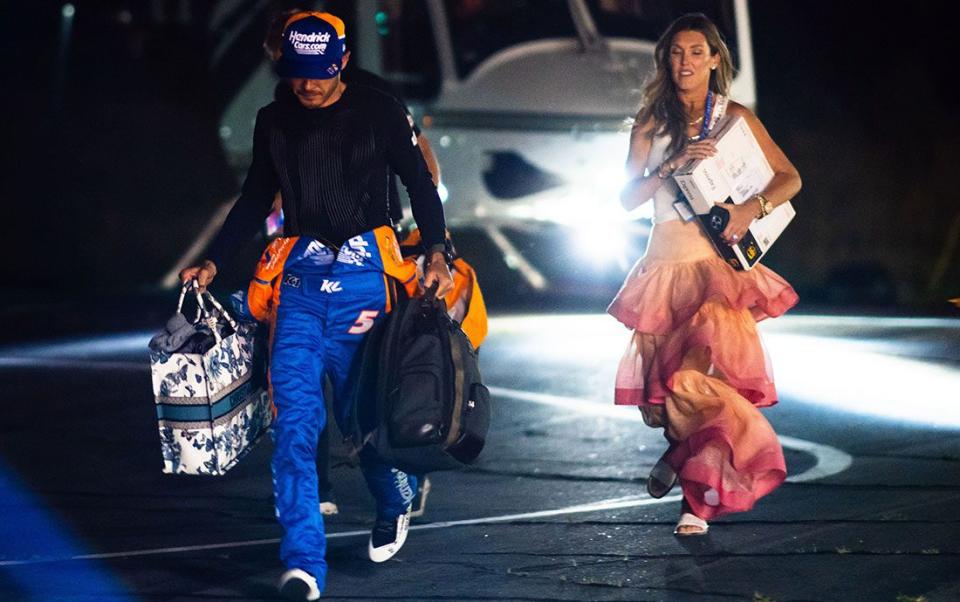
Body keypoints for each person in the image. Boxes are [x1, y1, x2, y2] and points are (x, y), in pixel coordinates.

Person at [180, 11, 453, 600]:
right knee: (295, 426)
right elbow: (255, 197)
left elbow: (420, 185)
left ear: (342, 64)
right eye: (298, 75)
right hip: (300, 285)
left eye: (320, 76)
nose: (308, 87)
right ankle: (304, 561)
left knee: (364, 420)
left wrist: (437, 248)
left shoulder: (378, 109)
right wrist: (215, 261)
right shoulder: (273, 119)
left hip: (366, 282)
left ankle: (395, 496)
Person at [608, 13, 801, 536]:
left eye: (696, 52)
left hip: (716, 272)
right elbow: (626, 198)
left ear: (715, 59)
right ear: (664, 60)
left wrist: (750, 209)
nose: (684, 62)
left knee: (704, 382)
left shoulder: (732, 117)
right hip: (663, 268)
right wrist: (670, 167)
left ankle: (697, 503)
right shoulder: (651, 120)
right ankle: (679, 450)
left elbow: (790, 179)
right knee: (670, 392)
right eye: (675, 53)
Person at [260, 8, 440, 520]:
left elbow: (420, 159)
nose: (295, 73)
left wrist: (433, 238)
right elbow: (277, 170)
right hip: (307, 260)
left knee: (378, 376)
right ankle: (315, 485)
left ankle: (407, 471)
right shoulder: (284, 101)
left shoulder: (371, 95)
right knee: (298, 377)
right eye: (282, 57)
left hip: (376, 248)